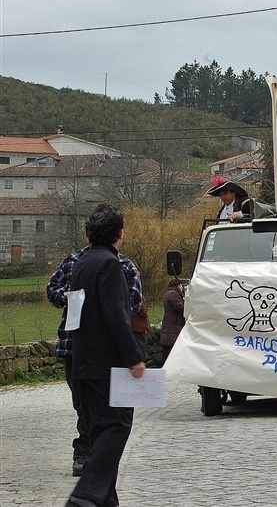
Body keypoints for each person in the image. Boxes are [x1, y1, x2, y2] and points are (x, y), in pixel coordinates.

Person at [66, 204, 145, 507]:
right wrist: (134, 357)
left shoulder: (81, 263)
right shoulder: (111, 265)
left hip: (83, 360)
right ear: (120, 233)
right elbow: (116, 315)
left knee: (100, 430)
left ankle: (105, 501)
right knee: (116, 426)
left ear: (88, 234)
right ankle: (86, 496)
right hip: (108, 365)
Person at [47, 245, 144, 478]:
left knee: (112, 412)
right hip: (73, 345)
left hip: (110, 350)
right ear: (120, 234)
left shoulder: (124, 265)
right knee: (83, 405)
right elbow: (52, 291)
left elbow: (135, 302)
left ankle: (91, 456)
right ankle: (87, 454)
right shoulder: (72, 260)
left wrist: (102, 304)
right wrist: (68, 296)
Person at [159, 278, 185, 365]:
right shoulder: (174, 294)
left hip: (171, 326)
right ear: (178, 285)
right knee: (170, 350)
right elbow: (181, 308)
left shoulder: (170, 293)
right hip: (173, 327)